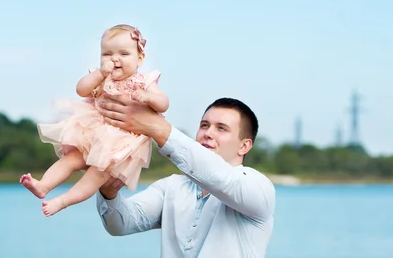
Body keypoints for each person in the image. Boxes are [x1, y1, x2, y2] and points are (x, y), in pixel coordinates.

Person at [95, 95, 276, 258]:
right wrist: (109, 193)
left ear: (244, 146)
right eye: (204, 125)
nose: (208, 133)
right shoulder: (171, 186)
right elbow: (121, 223)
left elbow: (220, 178)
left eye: (221, 128)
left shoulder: (259, 187)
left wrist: (157, 128)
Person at [20, 24, 170, 217]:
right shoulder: (99, 77)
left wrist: (148, 97)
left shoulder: (143, 81)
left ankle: (63, 201)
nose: (114, 59)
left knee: (97, 174)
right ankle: (43, 185)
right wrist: (99, 74)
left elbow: (163, 103)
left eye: (124, 54)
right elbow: (81, 89)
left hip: (121, 142)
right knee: (71, 159)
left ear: (139, 58)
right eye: (107, 54)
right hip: (93, 131)